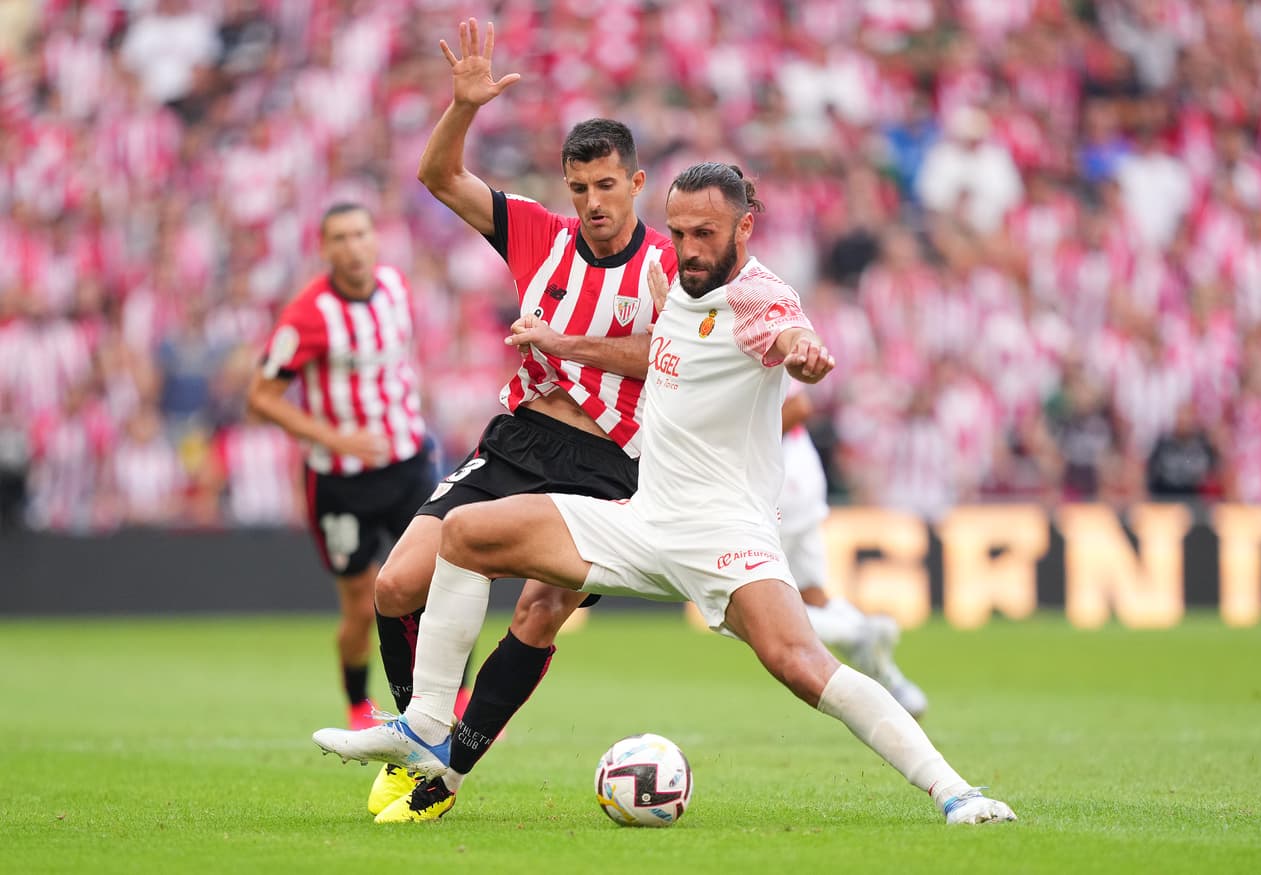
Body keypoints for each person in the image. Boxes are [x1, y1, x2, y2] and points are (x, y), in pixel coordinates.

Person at [314, 162, 1017, 827]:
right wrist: (561, 341)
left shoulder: (761, 298)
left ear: (744, 229)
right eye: (677, 231)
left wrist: (804, 351)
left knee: (801, 664)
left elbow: (788, 333)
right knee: (467, 533)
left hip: (723, 533)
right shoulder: (670, 279)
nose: (687, 247)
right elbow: (652, 341)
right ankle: (428, 728)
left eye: (704, 233)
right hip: (642, 517)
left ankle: (954, 790)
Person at [362, 18, 677, 817]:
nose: (594, 203)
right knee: (395, 585)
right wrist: (463, 106)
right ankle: (418, 734)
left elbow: (668, 360)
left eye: (608, 186)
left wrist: (568, 340)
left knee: (539, 610)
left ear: (636, 183)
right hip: (518, 440)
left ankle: (445, 778)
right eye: (581, 188)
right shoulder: (539, 231)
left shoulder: (666, 264)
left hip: (610, 461)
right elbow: (439, 175)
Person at [247, 202, 440, 731]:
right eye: (340, 238)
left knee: (434, 587)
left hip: (408, 466)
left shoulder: (397, 288)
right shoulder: (308, 314)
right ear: (325, 248)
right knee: (361, 604)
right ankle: (359, 706)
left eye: (360, 234)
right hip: (339, 480)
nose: (353, 246)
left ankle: (454, 701)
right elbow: (261, 397)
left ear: (375, 240)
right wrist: (338, 438)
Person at [780, 385, 928, 719]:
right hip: (797, 470)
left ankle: (857, 631)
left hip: (775, 473)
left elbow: (798, 405)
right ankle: (892, 684)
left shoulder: (740, 332)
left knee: (745, 604)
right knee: (812, 597)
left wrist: (735, 447)